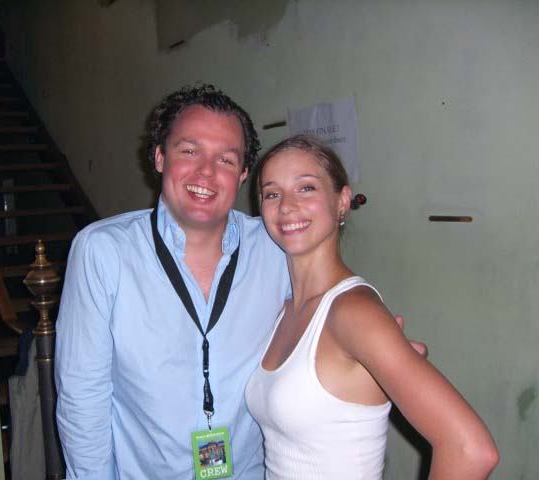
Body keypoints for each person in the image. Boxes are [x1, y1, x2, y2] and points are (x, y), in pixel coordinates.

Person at [55, 85, 425, 480]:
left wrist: (378, 354)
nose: (206, 172)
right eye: (189, 151)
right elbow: (82, 396)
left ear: (243, 174)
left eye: (226, 159)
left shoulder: (276, 247)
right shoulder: (103, 252)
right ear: (160, 157)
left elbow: (326, 315)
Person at [245, 135, 499, 479]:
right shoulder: (286, 310)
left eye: (306, 188)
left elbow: (471, 450)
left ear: (342, 201)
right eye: (272, 193)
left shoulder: (353, 312)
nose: (287, 206)